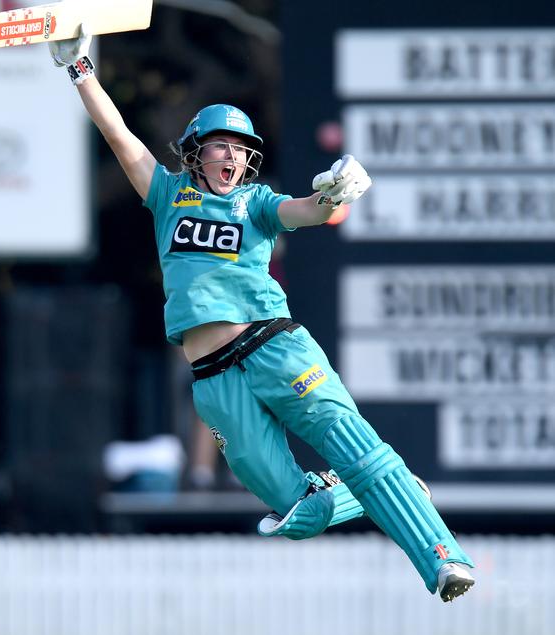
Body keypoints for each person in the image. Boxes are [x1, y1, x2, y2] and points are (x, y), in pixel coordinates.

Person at [48, 28, 475, 602]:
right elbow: (119, 136)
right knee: (293, 513)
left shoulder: (257, 202)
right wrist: (80, 68)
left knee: (356, 448)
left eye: (241, 148)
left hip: (275, 346)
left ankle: (442, 558)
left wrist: (333, 196)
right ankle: (390, 485)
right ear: (195, 150)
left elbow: (307, 212)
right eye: (221, 145)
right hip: (214, 380)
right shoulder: (167, 195)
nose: (233, 156)